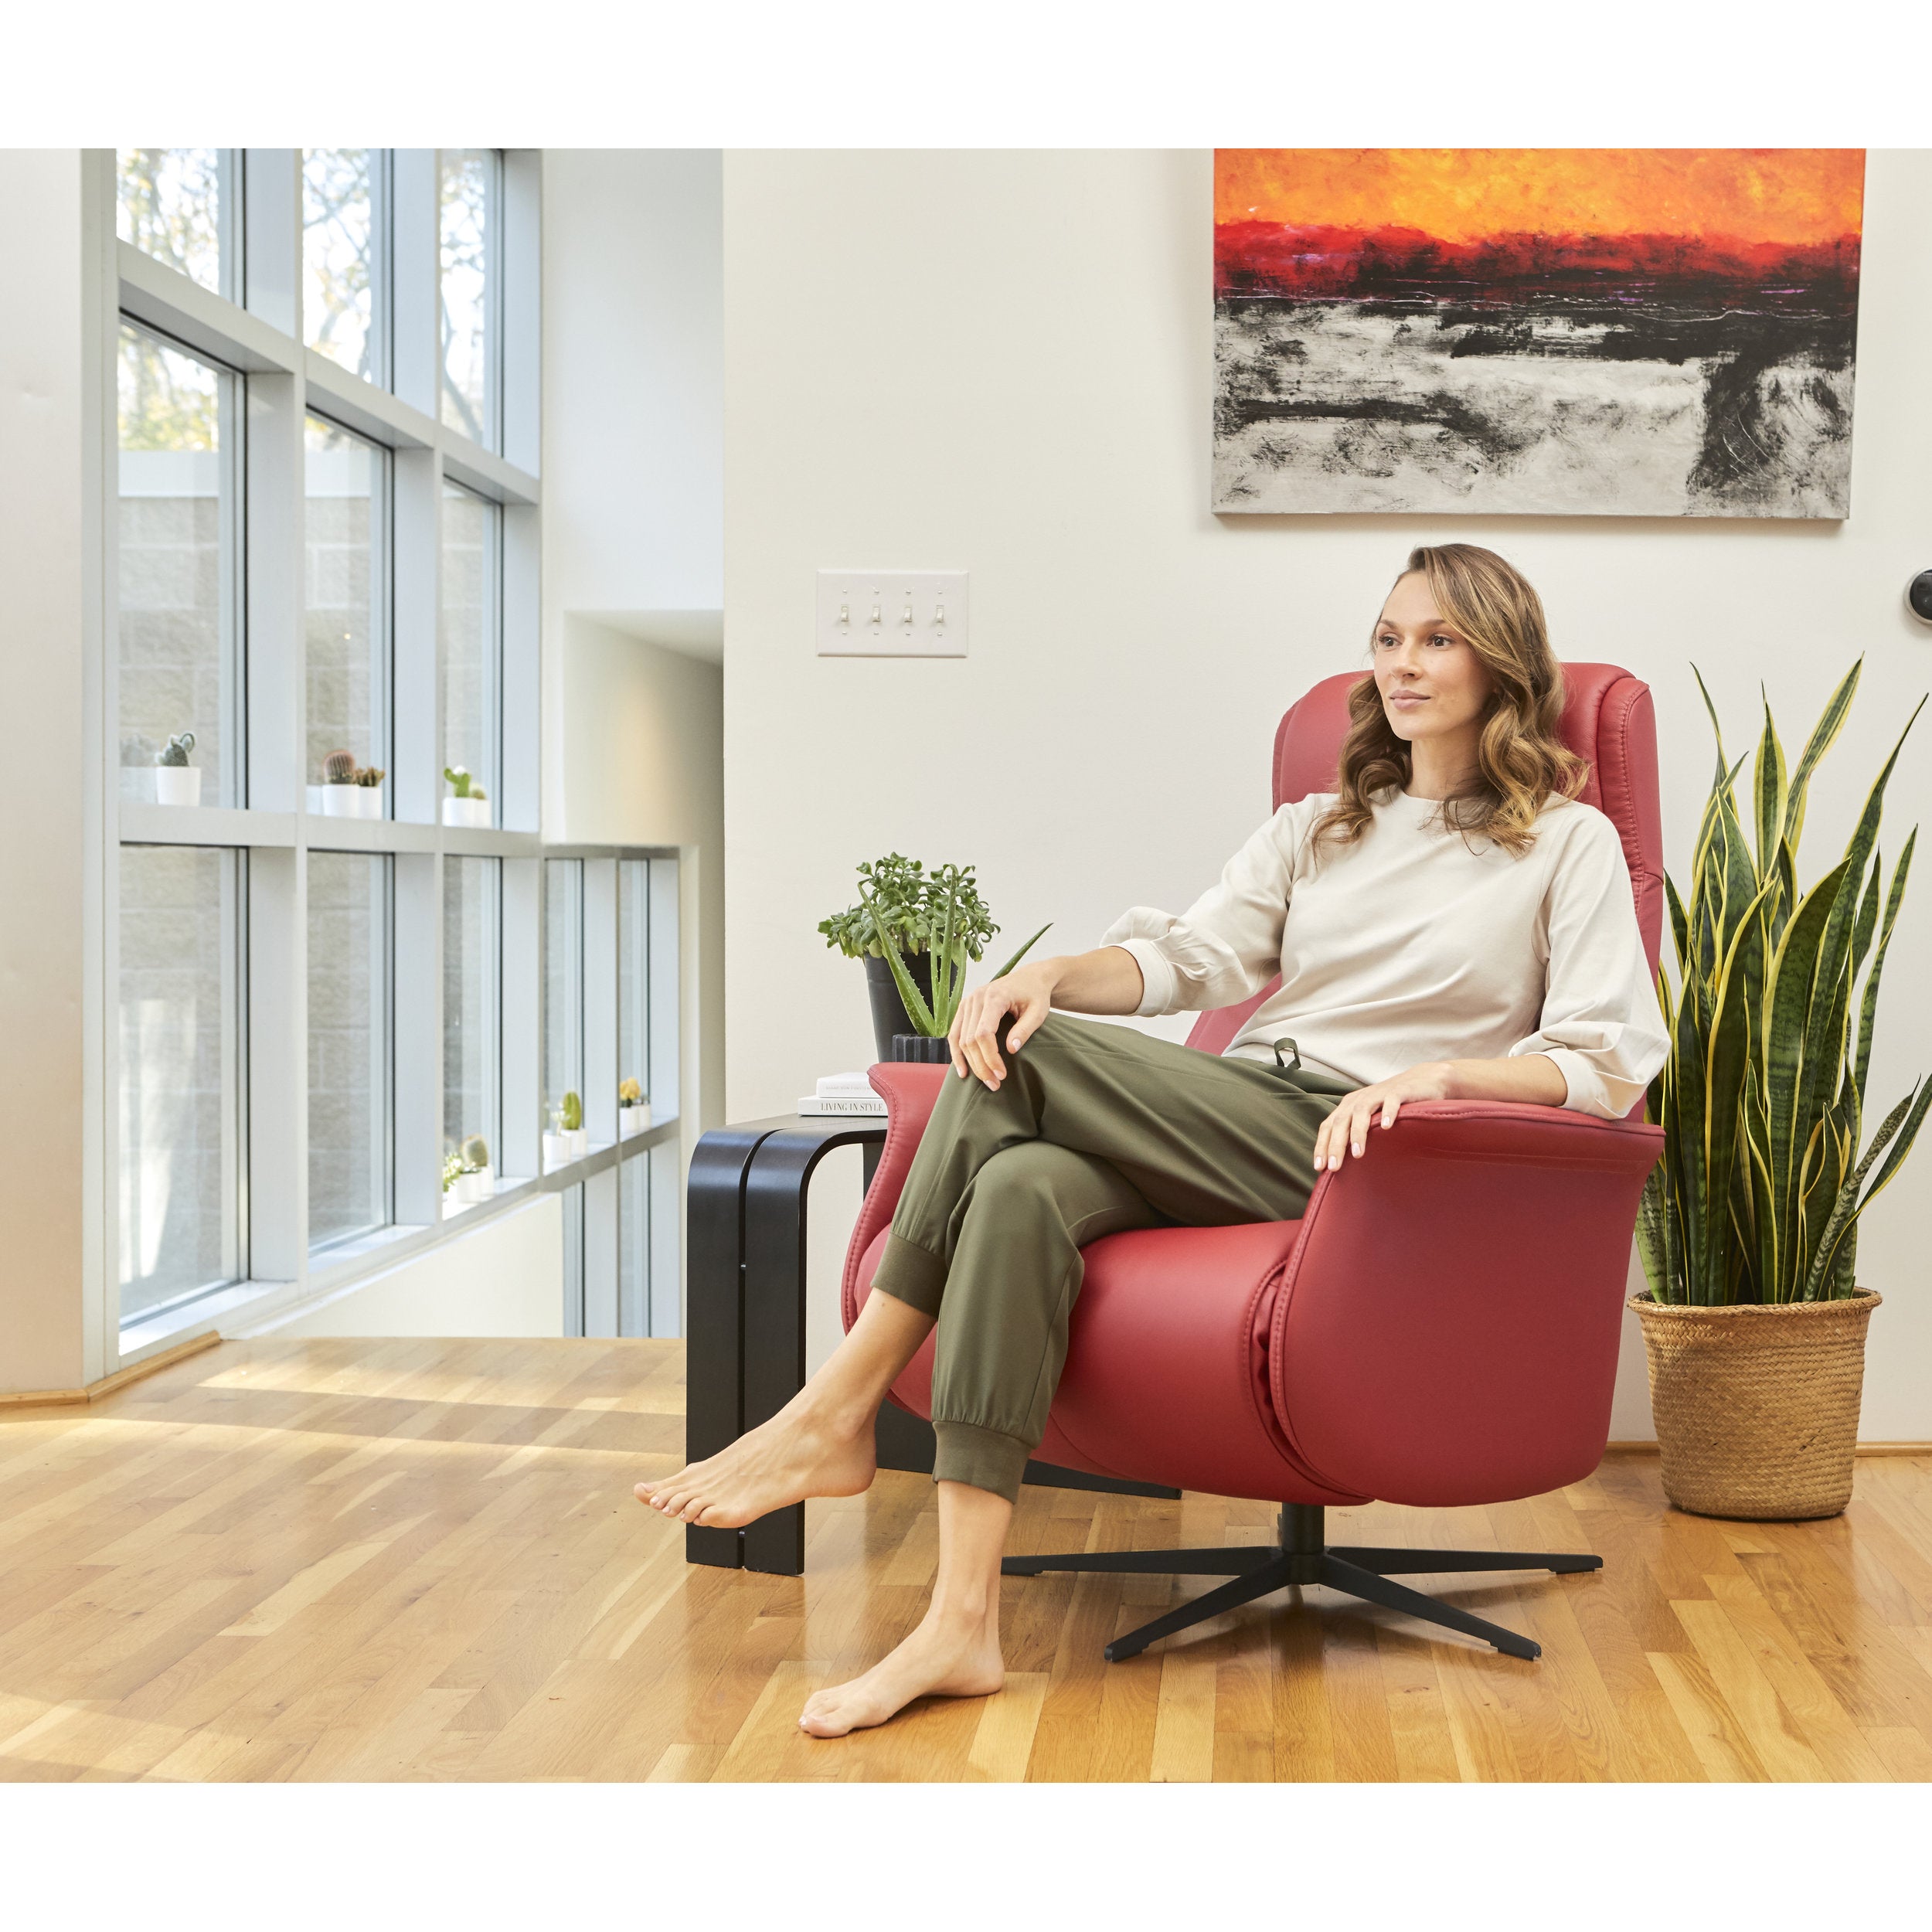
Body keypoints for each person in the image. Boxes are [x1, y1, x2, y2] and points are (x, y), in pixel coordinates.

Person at [638, 543, 1668, 1738]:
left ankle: (838, 1407)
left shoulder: (1566, 842)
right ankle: (958, 1623)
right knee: (1021, 1184)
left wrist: (1443, 1074)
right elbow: (1190, 960)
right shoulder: (1320, 828)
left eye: (1437, 639)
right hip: (1246, 1101)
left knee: (1020, 1061)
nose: (1403, 662)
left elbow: (1604, 1060)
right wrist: (1052, 970)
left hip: (1373, 1152)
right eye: (1387, 637)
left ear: (1502, 663)